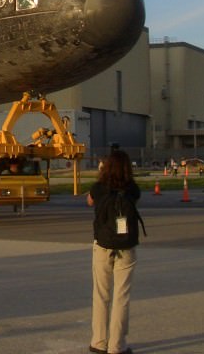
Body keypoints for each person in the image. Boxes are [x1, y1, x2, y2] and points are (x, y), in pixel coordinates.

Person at [87, 148, 141, 354]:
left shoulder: (99, 187)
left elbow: (90, 201)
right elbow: (135, 201)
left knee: (101, 294)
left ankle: (99, 342)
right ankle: (117, 345)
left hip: (102, 245)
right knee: (121, 295)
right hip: (126, 246)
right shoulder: (132, 189)